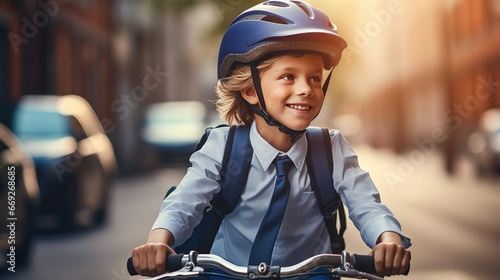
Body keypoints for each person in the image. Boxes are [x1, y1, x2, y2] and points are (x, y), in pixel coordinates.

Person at [131, 0, 412, 278]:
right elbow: (185, 202)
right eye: (288, 76)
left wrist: (387, 240)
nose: (305, 89)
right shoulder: (223, 147)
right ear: (251, 90)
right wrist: (158, 241)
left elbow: (367, 204)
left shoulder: (331, 148)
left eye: (314, 78)